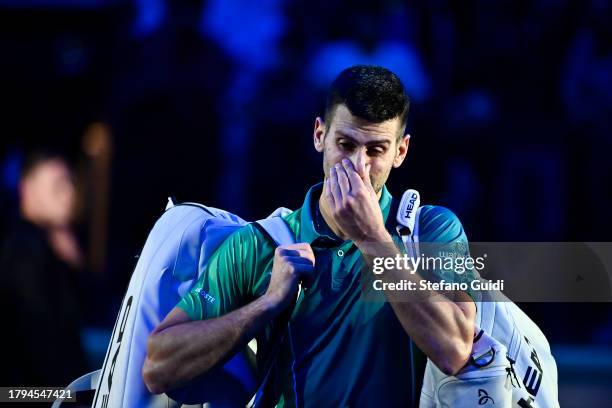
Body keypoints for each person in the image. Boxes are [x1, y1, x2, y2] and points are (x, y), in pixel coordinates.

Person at [143, 65, 477, 407]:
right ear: (319, 135)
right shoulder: (258, 244)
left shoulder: (433, 231)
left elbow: (455, 351)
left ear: (400, 152)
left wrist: (373, 238)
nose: (358, 166)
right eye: (346, 144)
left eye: (376, 150)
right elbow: (158, 368)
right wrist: (266, 305)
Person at [0, 151, 87, 387]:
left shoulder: (51, 246)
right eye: (58, 186)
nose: (69, 194)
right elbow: (44, 345)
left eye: (71, 183)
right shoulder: (25, 251)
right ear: (27, 190)